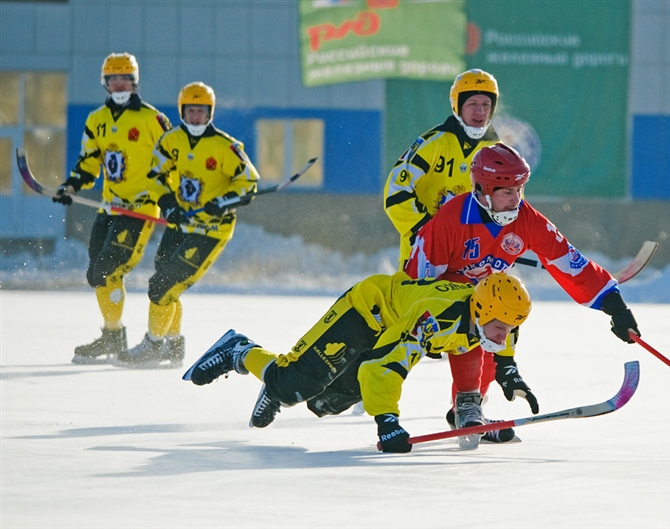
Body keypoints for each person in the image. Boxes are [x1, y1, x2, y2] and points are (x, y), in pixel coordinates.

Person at [404, 142, 641, 444]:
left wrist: (615, 305)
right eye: (507, 192)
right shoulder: (452, 218)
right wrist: (425, 322)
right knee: (481, 310)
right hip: (429, 293)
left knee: (502, 308)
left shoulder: (526, 220)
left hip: (481, 296)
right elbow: (419, 280)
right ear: (482, 191)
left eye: (520, 190)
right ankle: (464, 402)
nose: (516, 199)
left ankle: (466, 410)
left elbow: (569, 261)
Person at [181, 271, 533, 453]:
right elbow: (384, 365)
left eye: (511, 328)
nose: (504, 336)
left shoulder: (492, 318)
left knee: (324, 403)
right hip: (365, 313)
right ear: (483, 310)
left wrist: (509, 371)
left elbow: (504, 345)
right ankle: (239, 351)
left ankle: (278, 383)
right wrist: (387, 421)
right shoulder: (434, 318)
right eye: (501, 328)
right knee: (295, 386)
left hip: (388, 328)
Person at [110, 82, 259, 369]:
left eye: (200, 112)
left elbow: (249, 182)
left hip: (210, 231)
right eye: (190, 111)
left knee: (162, 286)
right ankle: (173, 346)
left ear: (209, 113)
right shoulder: (170, 141)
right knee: (166, 285)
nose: (195, 117)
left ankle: (154, 345)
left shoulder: (226, 147)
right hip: (181, 224)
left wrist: (226, 200)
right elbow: (154, 176)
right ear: (182, 111)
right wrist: (167, 203)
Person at [52, 52, 172, 365]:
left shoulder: (152, 119)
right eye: (113, 78)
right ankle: (113, 334)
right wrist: (72, 186)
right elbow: (90, 160)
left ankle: (167, 340)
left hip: (140, 209)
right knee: (97, 273)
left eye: (125, 78)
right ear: (105, 83)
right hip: (110, 208)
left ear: (135, 82)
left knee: (109, 268)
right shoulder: (96, 120)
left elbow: (172, 161)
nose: (119, 83)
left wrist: (173, 199)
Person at [383, 69, 501, 269]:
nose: (480, 112)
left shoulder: (499, 155)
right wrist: (424, 233)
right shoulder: (433, 143)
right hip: (421, 259)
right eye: (472, 104)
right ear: (457, 105)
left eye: (486, 104)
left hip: (471, 265)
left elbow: (509, 207)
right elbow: (395, 191)